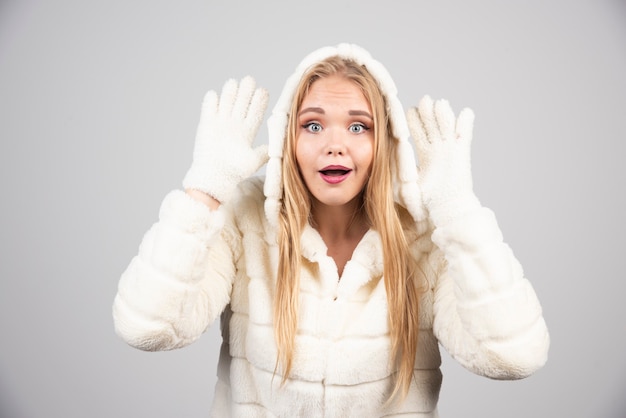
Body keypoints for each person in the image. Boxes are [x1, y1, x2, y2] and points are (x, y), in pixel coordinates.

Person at [113, 43, 549, 417]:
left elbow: (513, 357)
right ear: (289, 140)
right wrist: (204, 190)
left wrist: (457, 210)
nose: (334, 144)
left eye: (358, 126)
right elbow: (148, 327)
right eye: (313, 125)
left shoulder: (425, 238)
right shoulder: (245, 219)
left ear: (385, 143)